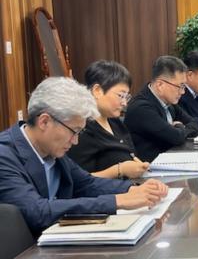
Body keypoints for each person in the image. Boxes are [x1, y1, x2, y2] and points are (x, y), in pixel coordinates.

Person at [0, 77, 168, 235]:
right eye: (74, 131)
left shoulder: (51, 148)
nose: (75, 141)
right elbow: (38, 212)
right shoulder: (4, 156)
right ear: (44, 121)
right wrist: (118, 201)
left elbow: (86, 183)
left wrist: (133, 189)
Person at [68, 60, 149, 179]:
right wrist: (119, 170)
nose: (124, 103)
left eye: (126, 97)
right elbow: (77, 180)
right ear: (97, 91)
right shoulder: (81, 129)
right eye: (121, 95)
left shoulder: (115, 122)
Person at [125, 56, 198, 162]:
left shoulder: (168, 101)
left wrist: (178, 128)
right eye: (180, 86)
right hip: (150, 167)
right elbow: (176, 137)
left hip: (171, 159)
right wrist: (179, 126)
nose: (183, 92)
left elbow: (194, 123)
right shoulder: (141, 108)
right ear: (160, 85)